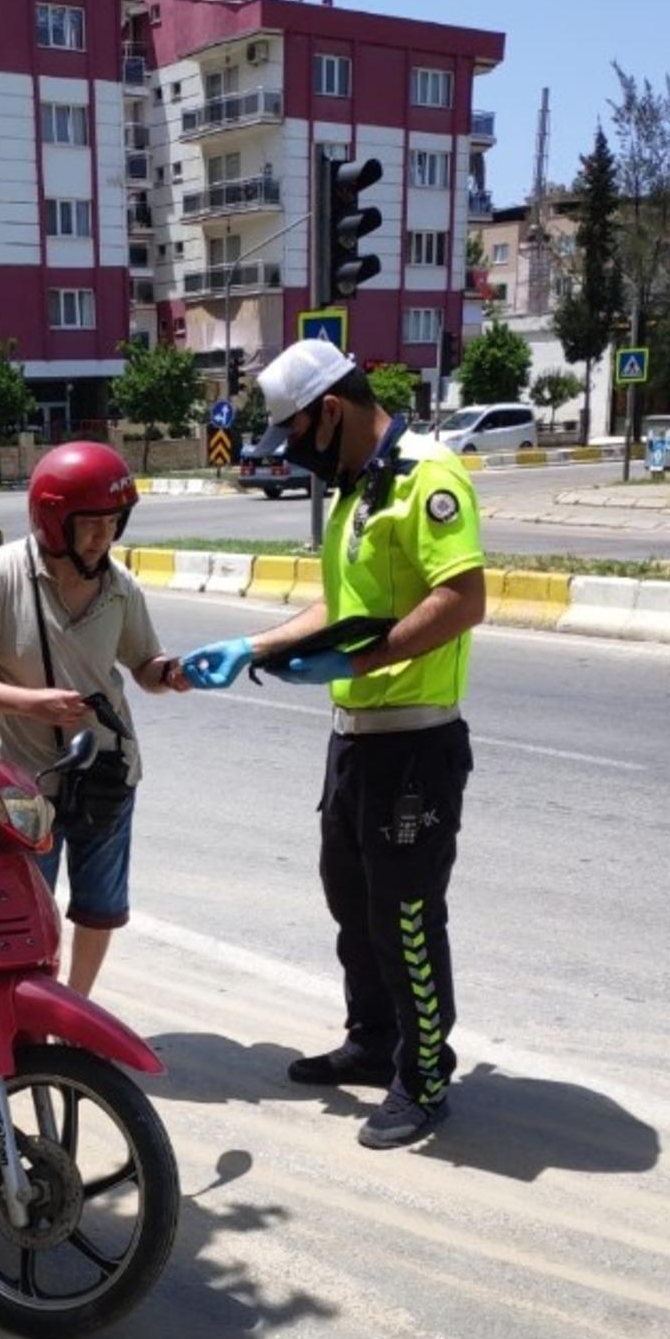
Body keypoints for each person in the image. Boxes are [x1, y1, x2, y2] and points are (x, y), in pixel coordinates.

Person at [182, 338, 485, 1149]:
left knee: (406, 914)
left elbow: (463, 599)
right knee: (351, 901)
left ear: (331, 411)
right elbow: (334, 606)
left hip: (415, 745)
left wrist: (364, 656)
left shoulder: (428, 476)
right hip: (355, 741)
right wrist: (257, 647)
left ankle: (424, 1078)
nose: (299, 458)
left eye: (300, 439)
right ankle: (373, 1042)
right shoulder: (358, 492)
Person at [0, 442, 190, 998]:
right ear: (55, 522)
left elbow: (142, 666)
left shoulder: (120, 588)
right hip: (25, 785)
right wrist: (33, 704)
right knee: (28, 912)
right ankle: (29, 1007)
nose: (105, 538)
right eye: (92, 525)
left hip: (106, 773)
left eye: (113, 523)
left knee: (100, 909)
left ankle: (73, 1010)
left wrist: (169, 672)